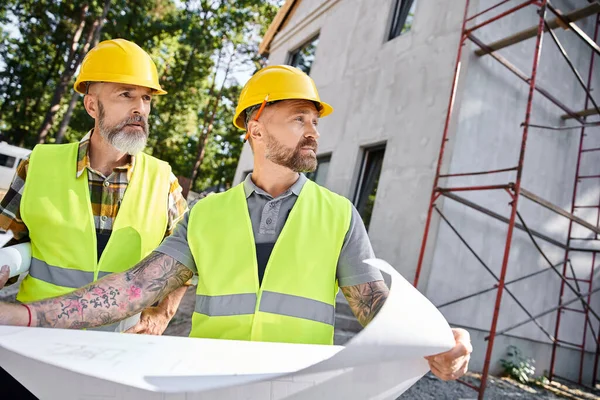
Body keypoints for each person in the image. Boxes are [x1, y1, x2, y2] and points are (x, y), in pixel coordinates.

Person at [0, 65, 471, 381]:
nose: (315, 132)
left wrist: (438, 339)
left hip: (300, 390)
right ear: (257, 127)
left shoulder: (339, 215)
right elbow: (132, 290)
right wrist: (23, 316)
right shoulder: (205, 215)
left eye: (315, 121)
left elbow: (380, 314)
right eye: (299, 118)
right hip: (212, 386)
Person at [0, 39, 189, 335]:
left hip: (118, 348)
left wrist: (161, 315)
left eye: (146, 98)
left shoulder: (163, 180)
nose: (139, 108)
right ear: (91, 105)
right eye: (126, 95)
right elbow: (9, 239)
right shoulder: (39, 165)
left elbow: (185, 261)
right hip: (35, 336)